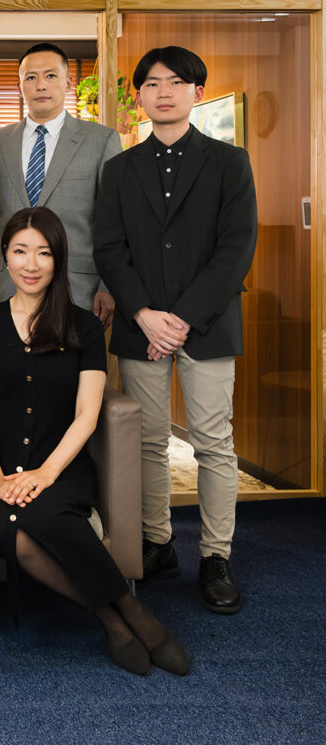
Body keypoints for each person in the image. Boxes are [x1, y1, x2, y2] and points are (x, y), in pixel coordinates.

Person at [0, 207, 188, 676]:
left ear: (58, 259)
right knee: (13, 531)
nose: (31, 263)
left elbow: (88, 414)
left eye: (43, 253)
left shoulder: (83, 326)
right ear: (4, 256)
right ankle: (121, 616)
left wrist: (46, 472)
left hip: (62, 466)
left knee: (46, 510)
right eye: (20, 251)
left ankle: (130, 617)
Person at [94, 46, 257, 615]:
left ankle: (216, 556)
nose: (163, 92)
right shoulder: (119, 169)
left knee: (213, 444)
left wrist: (182, 319)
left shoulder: (230, 163)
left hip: (206, 327)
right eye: (152, 84)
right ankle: (158, 542)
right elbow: (109, 250)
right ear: (138, 96)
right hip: (142, 327)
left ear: (195, 92)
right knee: (147, 441)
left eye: (176, 82)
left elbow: (236, 249)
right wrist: (142, 314)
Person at [0, 42, 121, 325]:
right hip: (6, 286)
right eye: (31, 77)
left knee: (71, 367)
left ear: (68, 82)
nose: (41, 85)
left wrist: (108, 285)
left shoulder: (101, 140)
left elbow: (113, 221)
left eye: (50, 76)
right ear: (20, 87)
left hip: (78, 286)